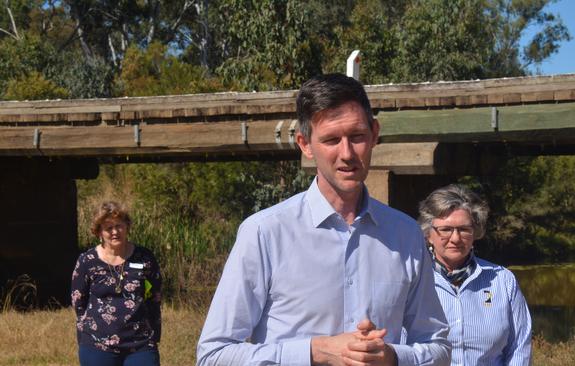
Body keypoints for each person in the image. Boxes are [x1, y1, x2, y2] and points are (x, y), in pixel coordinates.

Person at [197, 73, 451, 366]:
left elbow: (439, 348)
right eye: (331, 139)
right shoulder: (264, 233)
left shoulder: (405, 234)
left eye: (357, 136)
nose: (347, 154)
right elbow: (214, 355)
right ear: (305, 144)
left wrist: (393, 356)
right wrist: (314, 352)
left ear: (375, 133)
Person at [418, 185, 532, 365]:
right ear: (428, 234)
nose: (455, 238)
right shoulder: (413, 281)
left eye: (464, 229)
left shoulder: (503, 280)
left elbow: (519, 348)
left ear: (475, 232)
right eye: (446, 230)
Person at [71, 201, 162, 366]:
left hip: (141, 345)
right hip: (97, 346)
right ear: (99, 232)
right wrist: (85, 333)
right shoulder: (87, 261)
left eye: (119, 226)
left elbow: (154, 298)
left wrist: (155, 334)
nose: (115, 232)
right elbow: (78, 302)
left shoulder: (145, 257)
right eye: (108, 228)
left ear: (127, 226)